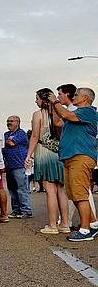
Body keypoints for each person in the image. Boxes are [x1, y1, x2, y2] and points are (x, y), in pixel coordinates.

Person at [48, 88, 98, 241]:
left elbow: (66, 114)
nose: (73, 97)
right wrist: (51, 106)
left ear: (85, 98)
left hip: (80, 157)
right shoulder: (74, 115)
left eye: (76, 95)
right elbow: (57, 121)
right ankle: (93, 224)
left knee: (80, 194)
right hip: (70, 158)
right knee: (74, 195)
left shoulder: (88, 111)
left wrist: (55, 102)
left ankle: (85, 230)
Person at [24, 88, 67, 234]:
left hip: (44, 153)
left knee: (50, 190)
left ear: (43, 99)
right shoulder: (59, 113)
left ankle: (53, 225)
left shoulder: (38, 115)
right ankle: (65, 224)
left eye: (37, 98)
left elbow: (35, 136)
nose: (35, 101)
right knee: (61, 190)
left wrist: (29, 155)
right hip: (59, 153)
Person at [4, 116, 32, 218]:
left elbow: (11, 143)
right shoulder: (6, 134)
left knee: (22, 188)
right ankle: (16, 210)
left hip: (19, 165)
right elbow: (4, 143)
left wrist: (8, 141)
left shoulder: (21, 133)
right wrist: (7, 141)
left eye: (11, 121)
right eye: (8, 121)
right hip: (9, 166)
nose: (9, 123)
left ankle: (26, 211)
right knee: (12, 189)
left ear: (17, 123)